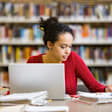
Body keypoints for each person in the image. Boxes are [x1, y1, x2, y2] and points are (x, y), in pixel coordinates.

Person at [27, 17, 112, 95]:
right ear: (50, 44)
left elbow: (94, 86)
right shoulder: (33, 62)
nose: (68, 51)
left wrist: (106, 89)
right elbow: (24, 90)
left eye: (70, 46)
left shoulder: (73, 58)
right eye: (63, 47)